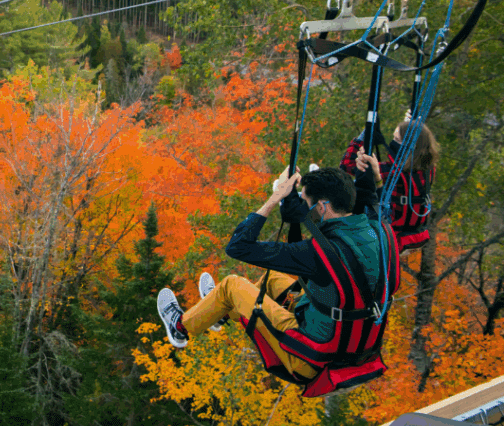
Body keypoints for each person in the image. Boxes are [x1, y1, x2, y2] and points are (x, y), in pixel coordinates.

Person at [156, 163, 398, 390]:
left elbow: (238, 247)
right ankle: (217, 310)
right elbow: (370, 201)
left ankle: (180, 327)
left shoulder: (316, 253)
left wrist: (275, 198)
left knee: (232, 285)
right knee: (273, 280)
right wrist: (374, 176)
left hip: (312, 356)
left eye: (307, 203)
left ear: (322, 207)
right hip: (355, 343)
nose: (305, 208)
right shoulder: (380, 231)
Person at [342, 112, 439, 252]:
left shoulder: (389, 172)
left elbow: (346, 165)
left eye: (396, 139)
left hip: (390, 235)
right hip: (414, 234)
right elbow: (418, 142)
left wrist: (366, 134)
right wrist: (410, 123)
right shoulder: (428, 169)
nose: (391, 142)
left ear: (407, 145)